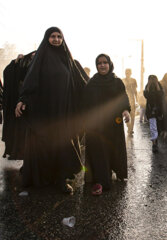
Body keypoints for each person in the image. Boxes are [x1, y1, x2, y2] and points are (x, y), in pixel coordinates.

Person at [15, 27, 88, 194]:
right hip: (45, 110)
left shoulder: (68, 60)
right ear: (46, 38)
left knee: (63, 144)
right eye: (52, 36)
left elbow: (81, 82)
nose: (56, 39)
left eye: (59, 36)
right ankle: (42, 177)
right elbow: (31, 80)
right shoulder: (40, 58)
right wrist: (23, 99)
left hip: (64, 111)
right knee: (44, 144)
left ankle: (61, 180)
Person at [82, 54, 130, 195]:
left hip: (113, 124)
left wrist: (126, 110)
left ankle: (116, 172)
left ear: (110, 64)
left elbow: (123, 99)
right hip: (96, 125)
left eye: (105, 63)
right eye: (99, 63)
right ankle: (101, 182)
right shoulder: (92, 83)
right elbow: (85, 103)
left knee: (113, 149)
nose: (102, 65)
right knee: (99, 152)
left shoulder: (117, 82)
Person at [2, 51, 35, 159]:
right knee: (15, 127)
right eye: (32, 56)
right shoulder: (21, 64)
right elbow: (9, 73)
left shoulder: (38, 66)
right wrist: (14, 63)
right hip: (16, 100)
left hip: (29, 101)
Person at [144, 75, 163, 153]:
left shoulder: (159, 86)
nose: (152, 81)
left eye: (154, 79)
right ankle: (154, 144)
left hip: (159, 110)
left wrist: (156, 84)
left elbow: (161, 94)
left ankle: (156, 141)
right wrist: (148, 85)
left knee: (158, 128)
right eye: (151, 79)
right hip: (150, 109)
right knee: (153, 127)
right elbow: (146, 95)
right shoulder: (147, 86)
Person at [123, 68, 137, 135]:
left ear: (131, 73)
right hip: (125, 100)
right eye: (126, 72)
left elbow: (135, 91)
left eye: (128, 72)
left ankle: (131, 129)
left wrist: (137, 100)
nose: (127, 74)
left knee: (133, 115)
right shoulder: (122, 80)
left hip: (132, 99)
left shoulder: (133, 80)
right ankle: (129, 127)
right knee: (127, 114)